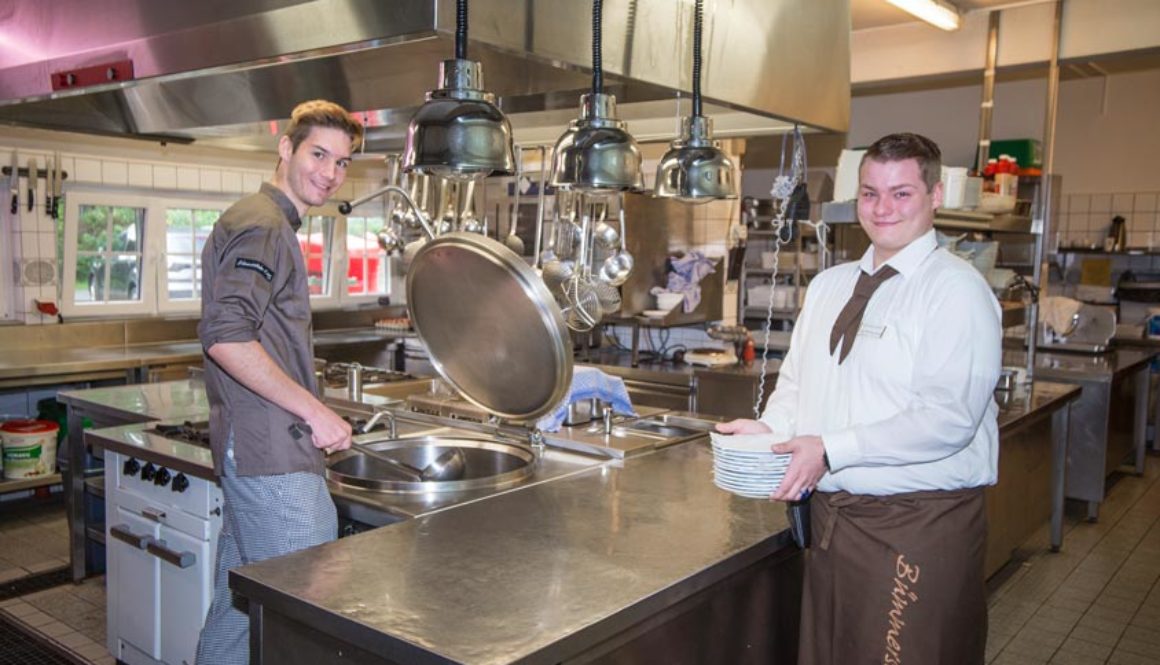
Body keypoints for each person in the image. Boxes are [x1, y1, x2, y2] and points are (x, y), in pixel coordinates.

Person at [718, 133, 1001, 664]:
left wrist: (829, 447)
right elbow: (798, 384)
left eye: (901, 193)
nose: (882, 208)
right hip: (834, 523)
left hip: (916, 524)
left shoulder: (955, 291)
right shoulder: (830, 285)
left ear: (935, 196)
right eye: (870, 193)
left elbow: (949, 418)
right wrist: (774, 432)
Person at [194, 99, 363, 664]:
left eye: (341, 162)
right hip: (275, 462)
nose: (330, 172)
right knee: (305, 625)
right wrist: (315, 411)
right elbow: (225, 334)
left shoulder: (259, 220)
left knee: (235, 610)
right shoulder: (264, 226)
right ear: (285, 149)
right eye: (318, 153)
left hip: (251, 453)